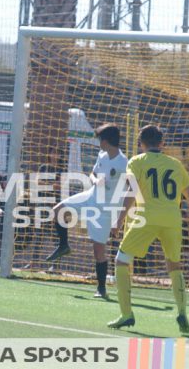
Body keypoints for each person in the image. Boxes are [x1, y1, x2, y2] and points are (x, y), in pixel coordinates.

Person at [109, 125, 189, 334]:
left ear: (141, 144)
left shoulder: (136, 161)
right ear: (162, 143)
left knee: (122, 260)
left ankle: (126, 314)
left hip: (146, 217)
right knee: (174, 265)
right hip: (173, 219)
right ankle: (182, 312)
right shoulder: (174, 164)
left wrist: (118, 221)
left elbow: (131, 192)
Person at [45, 123, 128, 298]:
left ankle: (101, 288)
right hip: (90, 196)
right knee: (58, 210)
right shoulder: (102, 155)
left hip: (105, 210)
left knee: (98, 251)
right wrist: (95, 181)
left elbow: (130, 191)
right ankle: (63, 245)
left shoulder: (123, 163)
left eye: (100, 139)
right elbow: (92, 174)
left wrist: (119, 220)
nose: (98, 142)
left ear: (106, 141)